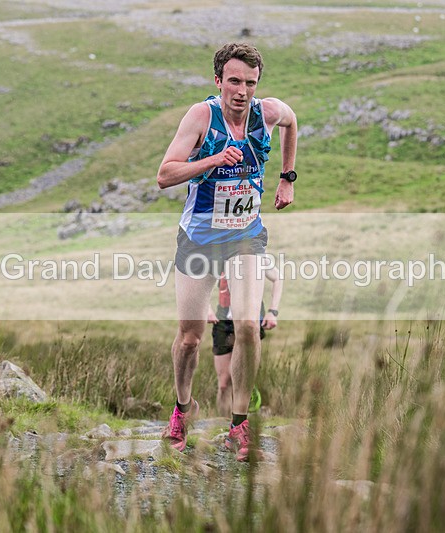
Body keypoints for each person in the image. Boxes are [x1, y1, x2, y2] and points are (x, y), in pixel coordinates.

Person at [156, 42, 297, 461]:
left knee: (248, 328)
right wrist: (212, 160)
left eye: (250, 83)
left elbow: (292, 122)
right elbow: (165, 175)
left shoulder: (267, 112)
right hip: (200, 239)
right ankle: (183, 408)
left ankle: (239, 423)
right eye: (234, 81)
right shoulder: (202, 117)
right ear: (218, 80)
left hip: (245, 237)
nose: (242, 91)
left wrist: (287, 177)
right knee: (189, 338)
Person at [208, 267, 283, 417]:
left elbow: (278, 277)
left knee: (241, 378)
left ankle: (240, 422)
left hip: (250, 319)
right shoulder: (218, 252)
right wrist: (207, 308)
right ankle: (222, 424)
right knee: (223, 383)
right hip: (224, 321)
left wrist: (273, 311)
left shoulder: (253, 252)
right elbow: (200, 279)